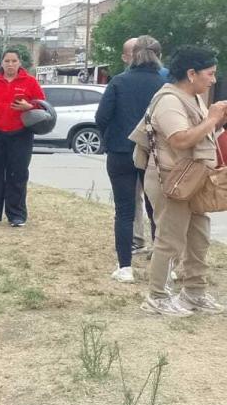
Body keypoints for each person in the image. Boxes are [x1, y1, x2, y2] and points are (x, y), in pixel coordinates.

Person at [136, 46, 227, 316]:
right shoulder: (168, 100)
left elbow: (200, 135)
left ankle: (194, 292)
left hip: (193, 179)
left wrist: (216, 121)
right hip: (172, 180)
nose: (213, 80)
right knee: (170, 240)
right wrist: (212, 119)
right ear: (191, 73)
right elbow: (180, 139)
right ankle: (158, 297)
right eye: (209, 73)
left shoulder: (193, 97)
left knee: (199, 238)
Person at [95, 36, 166, 282]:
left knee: (124, 211)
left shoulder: (119, 81)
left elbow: (101, 117)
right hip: (154, 153)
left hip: (121, 150)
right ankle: (163, 265)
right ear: (159, 56)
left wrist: (112, 136)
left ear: (132, 56)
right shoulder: (165, 84)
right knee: (157, 210)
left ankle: (125, 266)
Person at [0, 49, 46, 227]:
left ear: (19, 63)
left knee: (18, 173)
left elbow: (42, 106)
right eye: (7, 61)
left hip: (20, 133)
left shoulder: (30, 82)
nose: (10, 64)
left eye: (14, 61)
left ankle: (16, 215)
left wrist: (28, 106)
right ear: (2, 63)